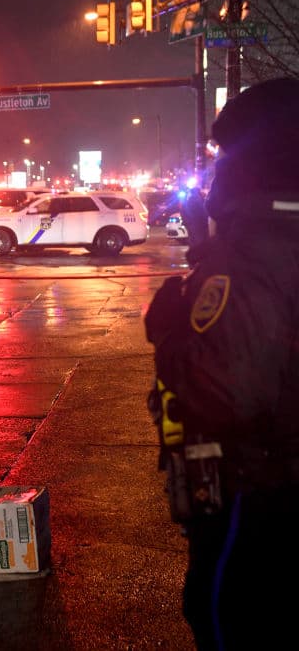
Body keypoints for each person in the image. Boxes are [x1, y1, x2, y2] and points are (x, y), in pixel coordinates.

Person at [144, 77, 299, 650]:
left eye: (223, 155)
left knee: (224, 613)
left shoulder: (257, 251)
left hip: (259, 496)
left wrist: (168, 333)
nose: (216, 170)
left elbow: (228, 393)